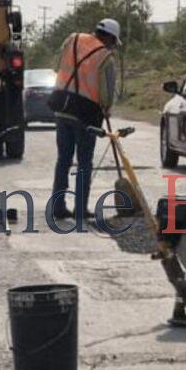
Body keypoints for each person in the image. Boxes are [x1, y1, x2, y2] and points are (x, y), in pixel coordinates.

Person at [50, 18, 121, 220]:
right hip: (86, 114)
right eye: (114, 41)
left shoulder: (72, 40)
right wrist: (106, 109)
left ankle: (57, 207)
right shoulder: (106, 57)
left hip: (62, 106)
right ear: (109, 37)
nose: (113, 45)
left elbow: (58, 65)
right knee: (84, 162)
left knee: (63, 159)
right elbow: (107, 92)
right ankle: (80, 210)